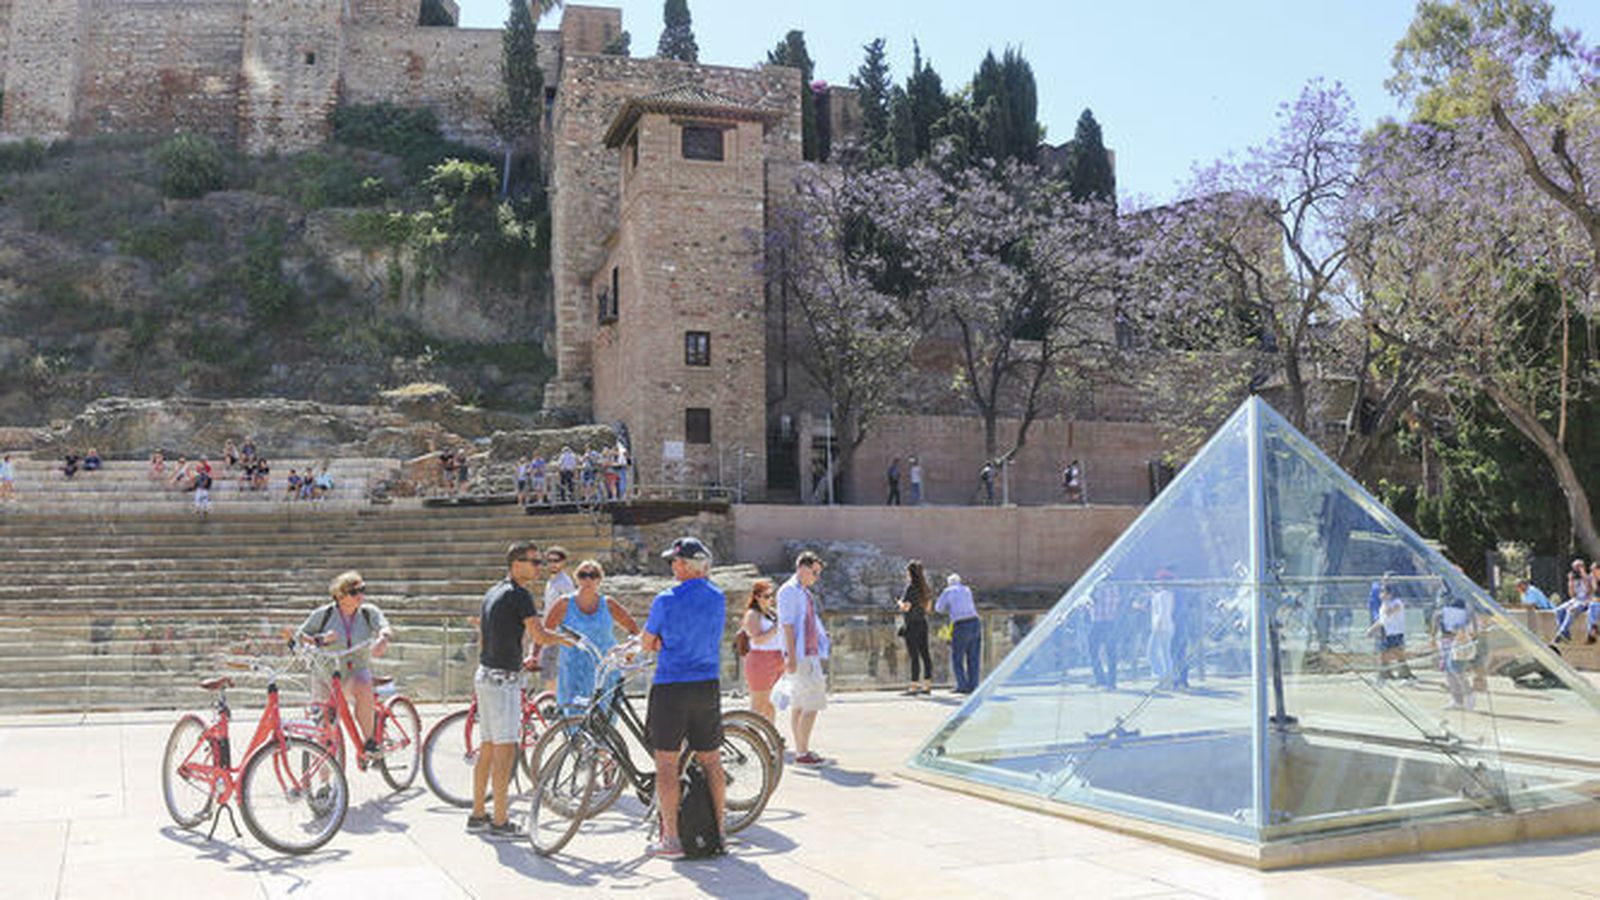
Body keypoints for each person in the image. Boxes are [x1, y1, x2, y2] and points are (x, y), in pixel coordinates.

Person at [468, 542, 569, 839]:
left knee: (487, 746)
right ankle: (500, 820)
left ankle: (478, 814)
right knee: (504, 751)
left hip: (485, 675)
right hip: (503, 682)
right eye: (534, 562)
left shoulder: (494, 591)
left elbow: (485, 635)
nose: (539, 567)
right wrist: (564, 640)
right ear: (516, 563)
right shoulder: (519, 594)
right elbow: (538, 633)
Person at [640, 536, 728, 859]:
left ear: (686, 565)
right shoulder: (718, 598)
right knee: (712, 759)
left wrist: (659, 640)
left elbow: (648, 642)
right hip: (707, 683)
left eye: (675, 561)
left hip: (672, 684)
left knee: (666, 761)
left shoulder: (665, 599)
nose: (672, 566)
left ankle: (672, 840)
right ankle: (720, 832)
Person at [296, 571, 394, 764]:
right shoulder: (323, 615)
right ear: (340, 596)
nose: (360, 595)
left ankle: (370, 743)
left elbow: (385, 627)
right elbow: (299, 636)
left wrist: (383, 638)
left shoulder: (368, 613)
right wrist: (321, 639)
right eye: (354, 591)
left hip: (354, 671)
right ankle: (324, 785)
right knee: (323, 730)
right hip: (325, 675)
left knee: (363, 685)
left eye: (362, 590)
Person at [545, 559, 640, 712]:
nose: (588, 579)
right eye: (583, 575)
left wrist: (629, 651)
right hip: (573, 670)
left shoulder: (608, 604)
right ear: (576, 578)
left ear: (599, 579)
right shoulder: (564, 603)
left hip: (604, 671)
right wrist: (535, 655)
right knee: (574, 721)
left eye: (593, 575)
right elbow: (544, 632)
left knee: (604, 722)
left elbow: (634, 629)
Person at [778, 550, 831, 764]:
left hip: (808, 653)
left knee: (799, 704)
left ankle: (801, 750)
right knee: (812, 703)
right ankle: (802, 752)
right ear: (802, 568)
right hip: (802, 656)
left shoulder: (803, 592)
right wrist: (791, 656)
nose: (816, 577)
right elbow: (787, 625)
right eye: (814, 572)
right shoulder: (789, 591)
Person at [741, 579, 784, 721]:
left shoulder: (772, 613)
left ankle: (770, 738)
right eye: (766, 596)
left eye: (771, 596)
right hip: (761, 660)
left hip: (777, 659)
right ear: (757, 597)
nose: (770, 599)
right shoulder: (752, 614)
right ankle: (752, 736)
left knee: (769, 705)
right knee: (758, 705)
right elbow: (757, 639)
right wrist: (776, 627)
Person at [936, 572, 981, 693]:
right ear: (960, 581)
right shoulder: (967, 589)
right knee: (973, 657)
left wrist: (948, 607)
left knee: (957, 657)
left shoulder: (948, 591)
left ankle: (962, 686)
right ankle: (973, 685)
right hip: (975, 623)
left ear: (949, 583)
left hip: (961, 625)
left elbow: (938, 608)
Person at [540, 546, 576, 694]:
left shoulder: (564, 582)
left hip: (558, 630)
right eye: (549, 561)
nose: (553, 564)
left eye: (556, 561)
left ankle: (553, 700)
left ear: (563, 562)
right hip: (550, 629)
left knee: (552, 665)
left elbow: (570, 607)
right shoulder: (552, 581)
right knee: (550, 665)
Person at [896, 561, 934, 695]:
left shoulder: (910, 588)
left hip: (912, 625)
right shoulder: (925, 588)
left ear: (910, 573)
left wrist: (899, 602)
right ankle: (927, 686)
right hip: (923, 623)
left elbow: (906, 607)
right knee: (925, 654)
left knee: (914, 656)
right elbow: (928, 608)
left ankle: (913, 687)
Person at [1437, 592, 1478, 711]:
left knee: (1456, 669)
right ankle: (1457, 700)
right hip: (1445, 638)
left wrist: (1463, 629)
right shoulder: (1445, 596)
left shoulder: (1464, 598)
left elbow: (1471, 617)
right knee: (1448, 671)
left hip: (1458, 639)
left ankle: (1469, 694)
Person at [1367, 583, 1415, 680]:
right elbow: (1382, 620)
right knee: (1383, 652)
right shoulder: (1383, 605)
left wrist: (1386, 602)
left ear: (1390, 594)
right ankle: (1385, 673)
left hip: (1396, 632)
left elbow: (1390, 612)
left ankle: (1404, 672)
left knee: (1397, 651)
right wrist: (1371, 629)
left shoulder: (1397, 602)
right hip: (1386, 631)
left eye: (1384, 592)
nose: (1381, 594)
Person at [1087, 581, 1121, 689]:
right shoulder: (1114, 587)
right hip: (1111, 622)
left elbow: (1091, 603)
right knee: (1111, 653)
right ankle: (1111, 682)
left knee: (1093, 652)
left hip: (1098, 623)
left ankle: (1101, 679)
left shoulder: (1095, 588)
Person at [1145, 569, 1175, 687]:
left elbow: (1161, 611)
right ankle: (1168, 678)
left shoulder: (1162, 596)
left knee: (1151, 652)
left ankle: (1160, 676)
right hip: (1168, 626)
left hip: (1160, 626)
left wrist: (1157, 626)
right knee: (1165, 653)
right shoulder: (1168, 595)